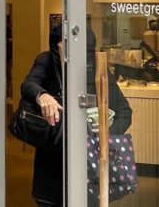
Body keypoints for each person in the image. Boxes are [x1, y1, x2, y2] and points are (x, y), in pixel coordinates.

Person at [21, 25, 132, 206]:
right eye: (63, 43)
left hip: (90, 164)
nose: (69, 49)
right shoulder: (47, 61)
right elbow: (29, 84)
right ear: (56, 45)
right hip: (53, 159)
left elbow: (124, 112)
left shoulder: (97, 67)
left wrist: (103, 134)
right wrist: (43, 96)